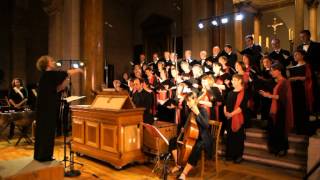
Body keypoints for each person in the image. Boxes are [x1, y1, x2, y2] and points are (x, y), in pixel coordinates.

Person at [34, 55, 83, 162]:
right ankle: (44, 156)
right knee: (46, 132)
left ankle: (42, 155)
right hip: (46, 108)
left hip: (46, 107)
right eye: (51, 61)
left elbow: (59, 88)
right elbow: (67, 72)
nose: (54, 62)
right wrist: (78, 70)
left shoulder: (47, 76)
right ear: (47, 64)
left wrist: (67, 78)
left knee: (46, 132)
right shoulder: (49, 74)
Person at [170, 92, 213, 180]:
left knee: (197, 147)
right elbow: (186, 123)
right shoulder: (188, 111)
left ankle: (184, 173)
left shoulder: (202, 110)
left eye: (189, 101)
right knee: (173, 140)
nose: (188, 103)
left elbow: (206, 125)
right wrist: (183, 128)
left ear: (194, 100)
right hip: (191, 135)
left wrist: (197, 113)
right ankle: (178, 164)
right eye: (187, 101)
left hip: (203, 137)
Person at [259, 63, 293, 156]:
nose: (271, 72)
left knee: (280, 129)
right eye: (271, 70)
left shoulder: (285, 82)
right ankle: (275, 148)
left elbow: (282, 97)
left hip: (281, 109)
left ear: (279, 71)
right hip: (274, 108)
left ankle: (282, 148)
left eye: (273, 70)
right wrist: (267, 94)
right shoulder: (277, 82)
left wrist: (268, 95)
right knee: (273, 129)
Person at [224, 74, 249, 163]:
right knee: (230, 137)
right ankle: (230, 154)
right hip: (229, 118)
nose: (232, 81)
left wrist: (231, 114)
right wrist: (225, 112)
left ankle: (238, 156)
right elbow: (225, 104)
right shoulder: (230, 92)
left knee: (238, 137)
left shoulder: (244, 93)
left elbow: (242, 107)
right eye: (232, 80)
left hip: (238, 118)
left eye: (234, 80)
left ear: (239, 81)